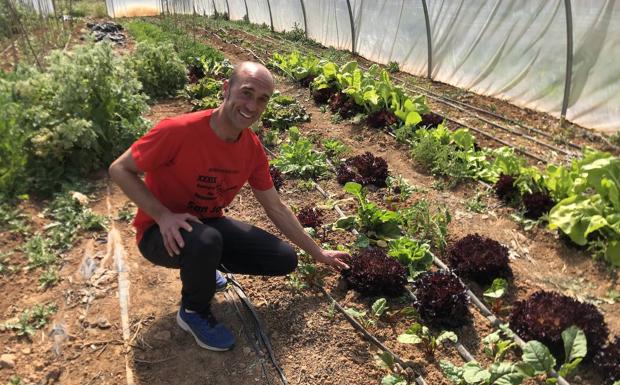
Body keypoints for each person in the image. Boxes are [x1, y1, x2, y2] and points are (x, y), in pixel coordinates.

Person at [109, 61, 350, 352]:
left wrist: (318, 252)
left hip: (205, 226)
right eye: (246, 93)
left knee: (284, 259)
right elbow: (120, 169)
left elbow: (275, 207)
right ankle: (193, 311)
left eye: (262, 99)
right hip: (159, 233)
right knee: (206, 240)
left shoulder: (251, 149)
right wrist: (163, 216)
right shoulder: (178, 130)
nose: (252, 105)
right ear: (226, 89)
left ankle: (203, 265)